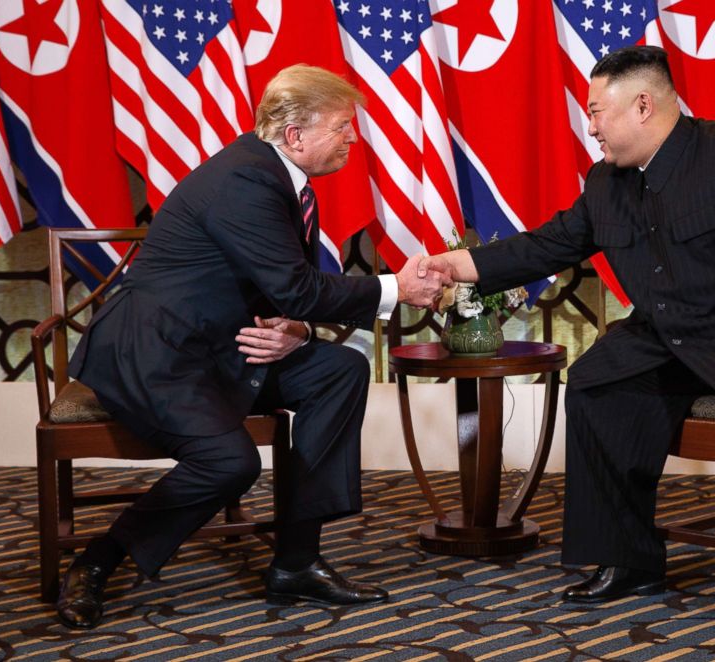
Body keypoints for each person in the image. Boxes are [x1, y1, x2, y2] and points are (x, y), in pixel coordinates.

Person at [418, 46, 715, 634]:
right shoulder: (604, 182)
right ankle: (630, 560)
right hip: (674, 336)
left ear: (643, 105)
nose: (589, 127)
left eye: (596, 111)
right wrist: (453, 267)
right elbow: (546, 245)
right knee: (595, 384)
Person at [56, 65, 450, 629]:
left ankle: (297, 561)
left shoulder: (281, 180)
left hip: (223, 345)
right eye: (342, 127)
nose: (351, 139)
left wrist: (297, 330)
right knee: (228, 463)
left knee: (338, 370)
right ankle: (98, 561)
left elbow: (283, 289)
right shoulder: (245, 180)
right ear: (295, 136)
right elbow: (297, 286)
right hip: (157, 355)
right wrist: (397, 288)